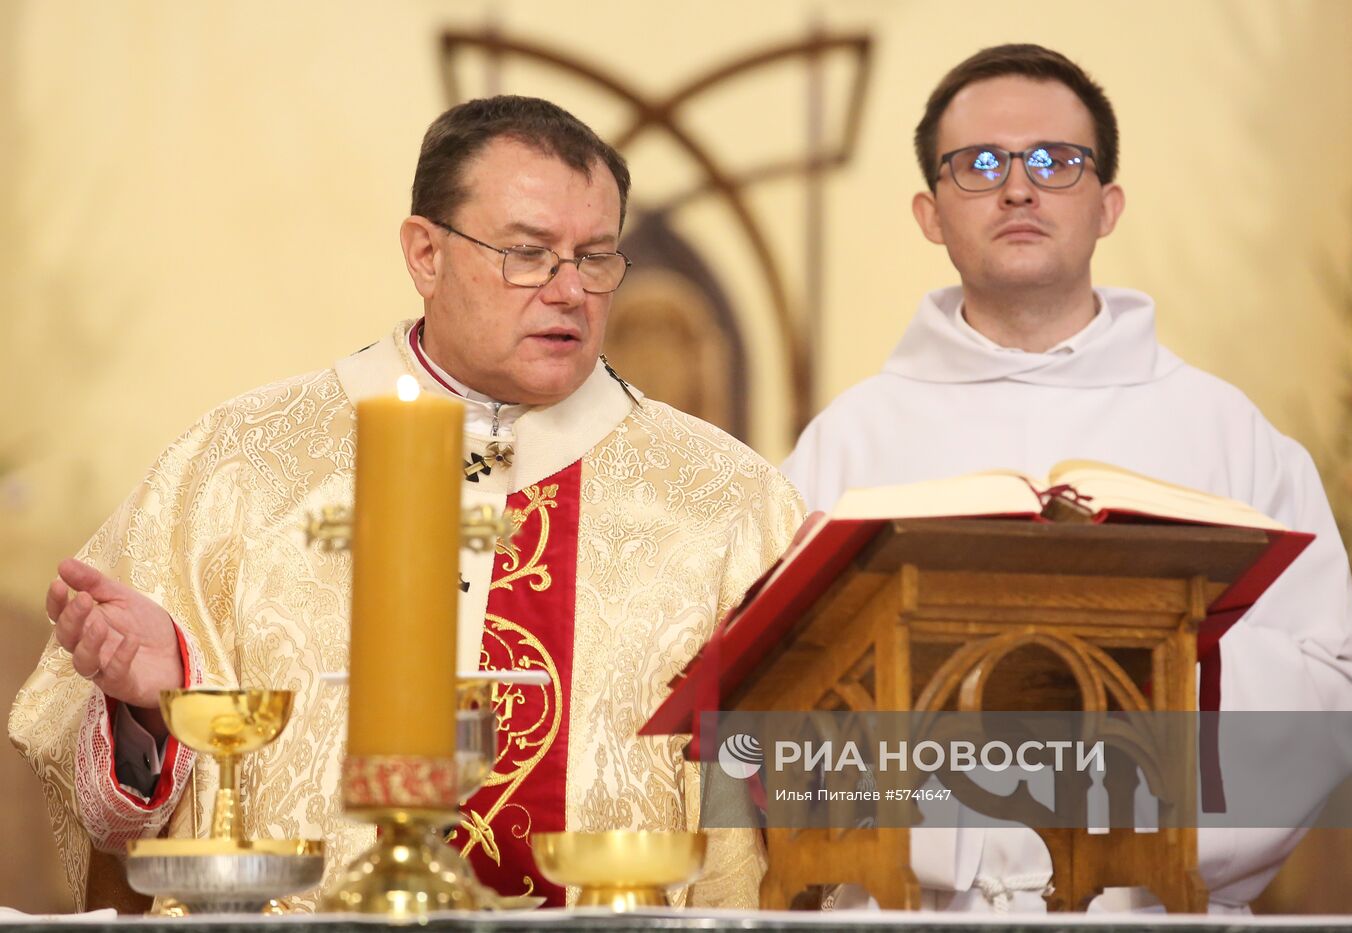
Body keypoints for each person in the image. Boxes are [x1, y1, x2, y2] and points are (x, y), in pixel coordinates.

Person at [10, 96, 804, 911]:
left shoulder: (727, 502)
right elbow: (85, 772)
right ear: (425, 253)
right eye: (529, 254)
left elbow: (799, 824)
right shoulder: (240, 468)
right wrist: (149, 709)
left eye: (596, 257)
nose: (570, 290)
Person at [782, 44, 1352, 913]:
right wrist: (952, 840)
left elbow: (1334, 684)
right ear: (930, 212)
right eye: (981, 164)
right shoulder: (846, 444)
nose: (1019, 188)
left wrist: (1149, 726)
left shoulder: (1227, 434)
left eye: (1057, 162)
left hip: (1155, 910)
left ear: (1107, 206)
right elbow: (780, 699)